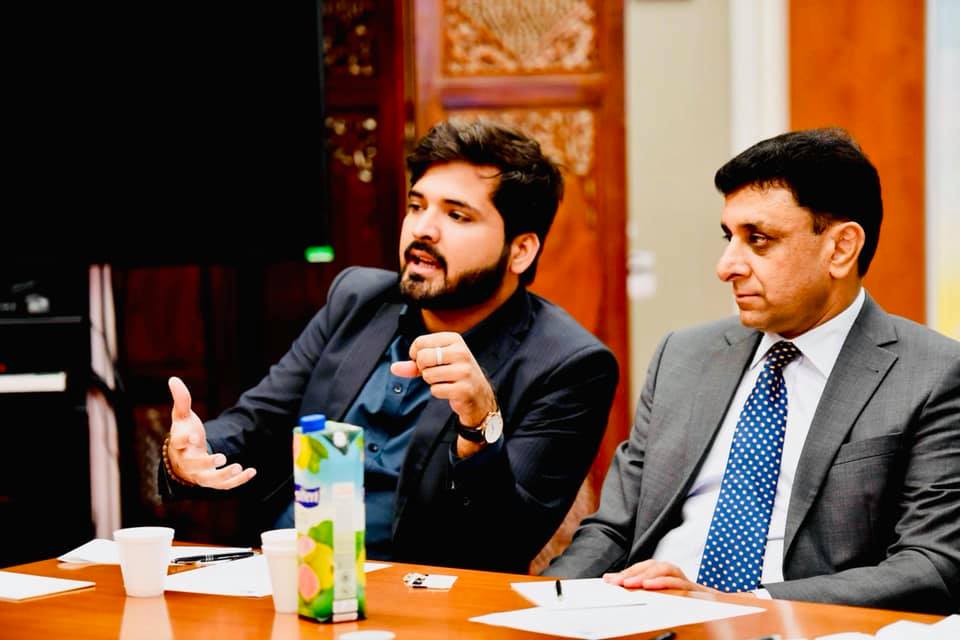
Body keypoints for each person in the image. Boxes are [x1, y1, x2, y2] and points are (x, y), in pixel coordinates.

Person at [159, 120, 619, 573]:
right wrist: (190, 453)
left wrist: (481, 424)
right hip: (287, 575)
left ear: (520, 250)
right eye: (417, 206)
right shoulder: (359, 298)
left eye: (456, 215)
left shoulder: (569, 364)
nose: (424, 230)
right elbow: (258, 423)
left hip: (421, 606)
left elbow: (504, 542)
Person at [545, 128, 959, 614]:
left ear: (841, 249)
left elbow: (932, 565)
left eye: (758, 240)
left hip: (793, 623)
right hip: (643, 617)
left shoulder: (931, 375)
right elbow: (614, 528)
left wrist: (737, 604)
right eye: (729, 238)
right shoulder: (683, 355)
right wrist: (549, 602)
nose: (726, 267)